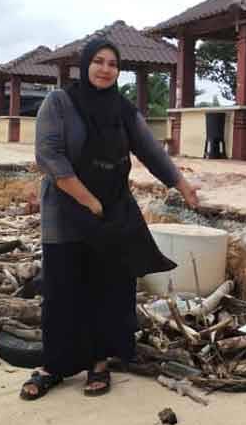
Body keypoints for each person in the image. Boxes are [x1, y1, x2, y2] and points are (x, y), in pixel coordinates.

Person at [21, 37, 199, 399]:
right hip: (66, 211)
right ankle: (55, 364)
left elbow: (150, 150)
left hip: (111, 210)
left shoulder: (122, 109)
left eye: (113, 64)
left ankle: (99, 362)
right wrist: (90, 202)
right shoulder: (59, 103)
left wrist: (181, 184)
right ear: (85, 65)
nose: (105, 69)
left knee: (105, 287)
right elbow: (50, 158)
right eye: (98, 61)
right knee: (62, 290)